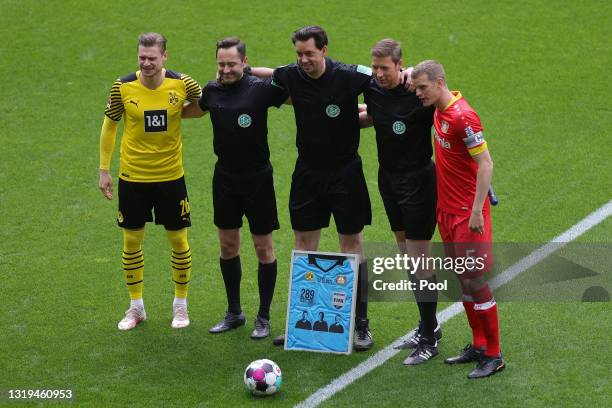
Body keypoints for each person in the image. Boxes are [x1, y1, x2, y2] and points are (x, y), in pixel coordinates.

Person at [251, 25, 378, 351]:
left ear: (324, 50)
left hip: (345, 174)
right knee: (304, 247)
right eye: (299, 54)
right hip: (307, 174)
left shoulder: (349, 75)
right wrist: (243, 68)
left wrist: (380, 105)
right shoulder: (292, 74)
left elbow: (385, 78)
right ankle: (301, 320)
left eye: (309, 53)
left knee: (352, 247)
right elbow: (272, 74)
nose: (303, 60)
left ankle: (360, 325)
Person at [182, 37, 287, 339]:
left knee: (262, 247)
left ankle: (264, 317)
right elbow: (190, 111)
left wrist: (260, 71)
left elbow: (292, 84)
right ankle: (234, 313)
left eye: (232, 63)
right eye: (221, 64)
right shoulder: (212, 91)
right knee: (228, 246)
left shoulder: (259, 89)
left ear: (244, 62)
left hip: (258, 179)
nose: (226, 69)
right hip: (225, 179)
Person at [98, 32, 201, 330]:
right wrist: (104, 170)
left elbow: (205, 105)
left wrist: (179, 115)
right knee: (131, 241)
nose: (146, 63)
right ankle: (136, 307)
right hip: (133, 177)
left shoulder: (183, 83)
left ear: (165, 57)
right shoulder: (123, 86)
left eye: (152, 58)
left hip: (171, 177)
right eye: (142, 58)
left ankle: (180, 306)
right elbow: (110, 125)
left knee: (178, 240)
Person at [412, 60, 505, 378]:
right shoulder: (439, 107)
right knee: (463, 280)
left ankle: (494, 354)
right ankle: (479, 344)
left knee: (476, 281)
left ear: (439, 83)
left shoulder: (463, 117)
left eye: (422, 87)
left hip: (468, 215)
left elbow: (486, 163)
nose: (417, 93)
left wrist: (478, 209)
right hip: (447, 211)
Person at [358, 39, 441, 365]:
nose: (378, 73)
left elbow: (443, 93)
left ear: (399, 65)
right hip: (388, 180)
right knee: (407, 254)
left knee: (420, 259)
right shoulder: (372, 89)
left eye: (385, 68)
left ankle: (430, 337)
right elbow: (370, 112)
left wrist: (414, 75)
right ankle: (426, 326)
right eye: (375, 67)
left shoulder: (416, 93)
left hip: (419, 181)